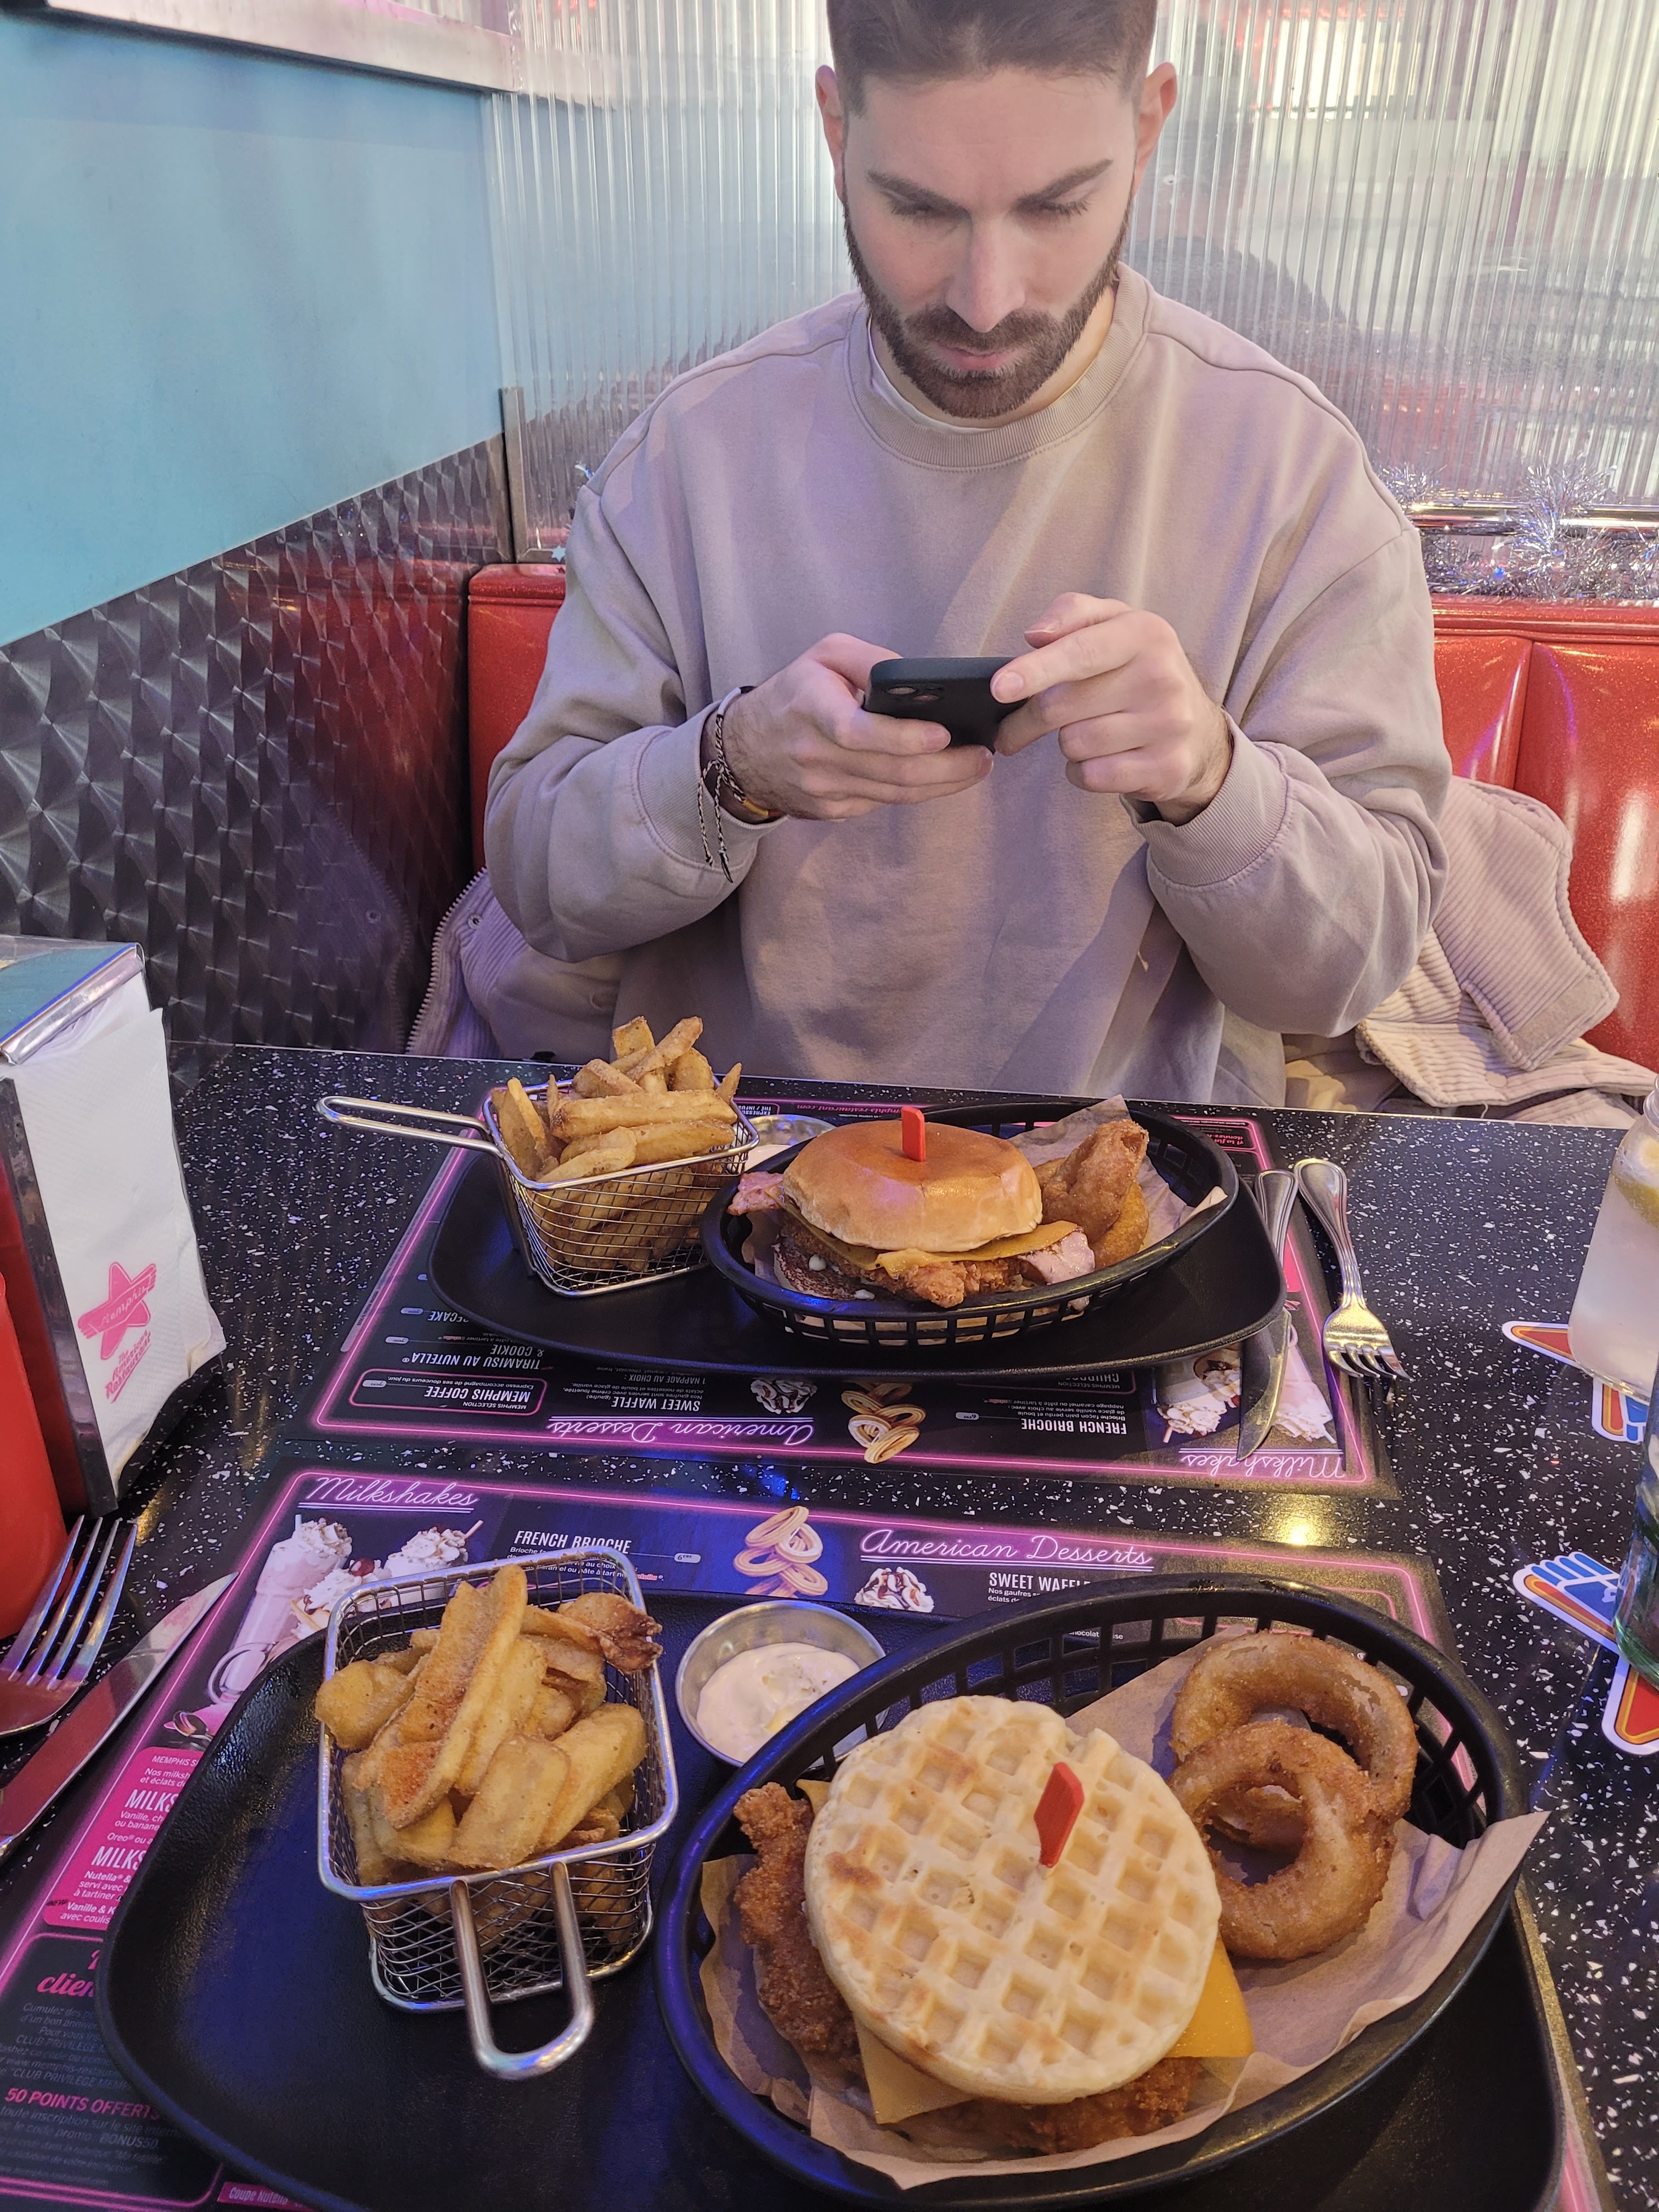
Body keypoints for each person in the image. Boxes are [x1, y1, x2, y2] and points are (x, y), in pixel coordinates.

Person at [483, 0, 1448, 1104]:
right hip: (749, 1161)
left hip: (1134, 1168)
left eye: (1057, 207)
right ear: (836, 130)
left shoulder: (1294, 473)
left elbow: (1348, 975)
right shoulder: (689, 455)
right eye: (920, 207)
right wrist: (728, 767)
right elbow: (538, 887)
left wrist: (1211, 782)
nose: (987, 301)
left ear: (1148, 126)